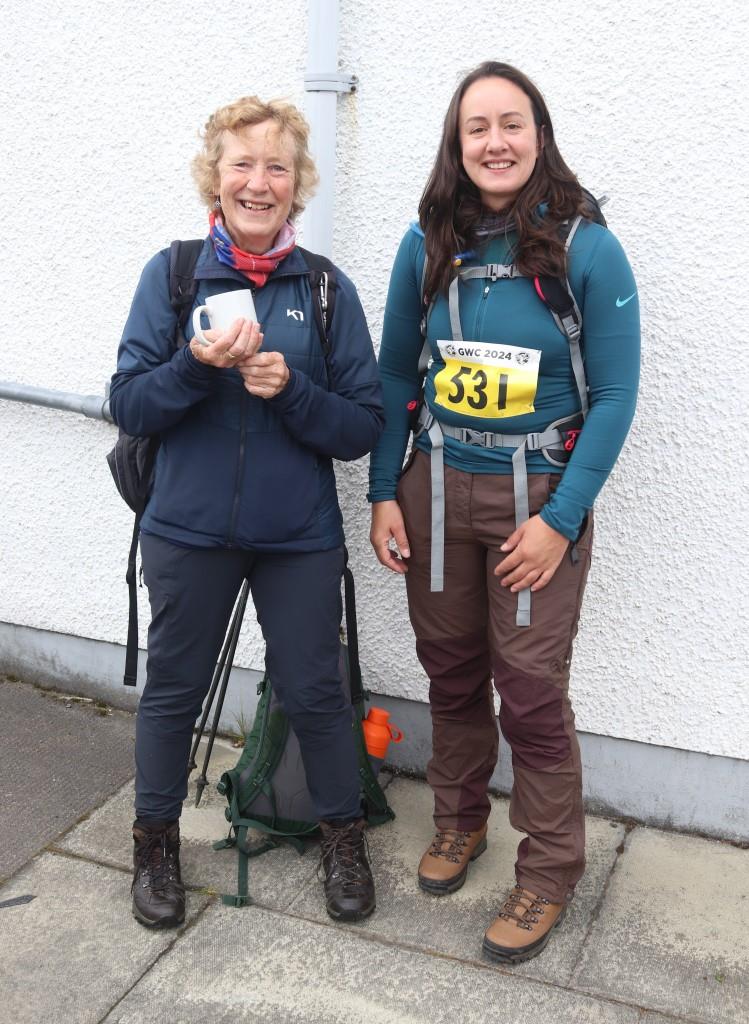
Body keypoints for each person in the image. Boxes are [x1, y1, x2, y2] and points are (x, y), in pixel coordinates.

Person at [369, 61, 639, 964]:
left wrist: (560, 519)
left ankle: (551, 868)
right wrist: (380, 491)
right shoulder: (428, 239)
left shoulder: (586, 248)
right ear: (456, 142)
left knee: (527, 690)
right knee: (449, 670)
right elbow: (397, 374)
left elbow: (613, 396)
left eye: (510, 123)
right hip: (436, 488)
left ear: (538, 133)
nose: (494, 142)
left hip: (536, 501)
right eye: (476, 126)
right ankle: (456, 821)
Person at [110, 96, 384, 929]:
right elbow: (128, 402)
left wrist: (292, 391)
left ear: (296, 184)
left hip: (296, 536)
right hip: (186, 529)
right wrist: (195, 369)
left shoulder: (327, 290)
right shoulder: (175, 274)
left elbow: (362, 426)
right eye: (242, 163)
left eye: (276, 167)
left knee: (314, 693)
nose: (257, 183)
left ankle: (342, 835)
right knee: (172, 691)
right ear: (215, 175)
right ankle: (153, 840)